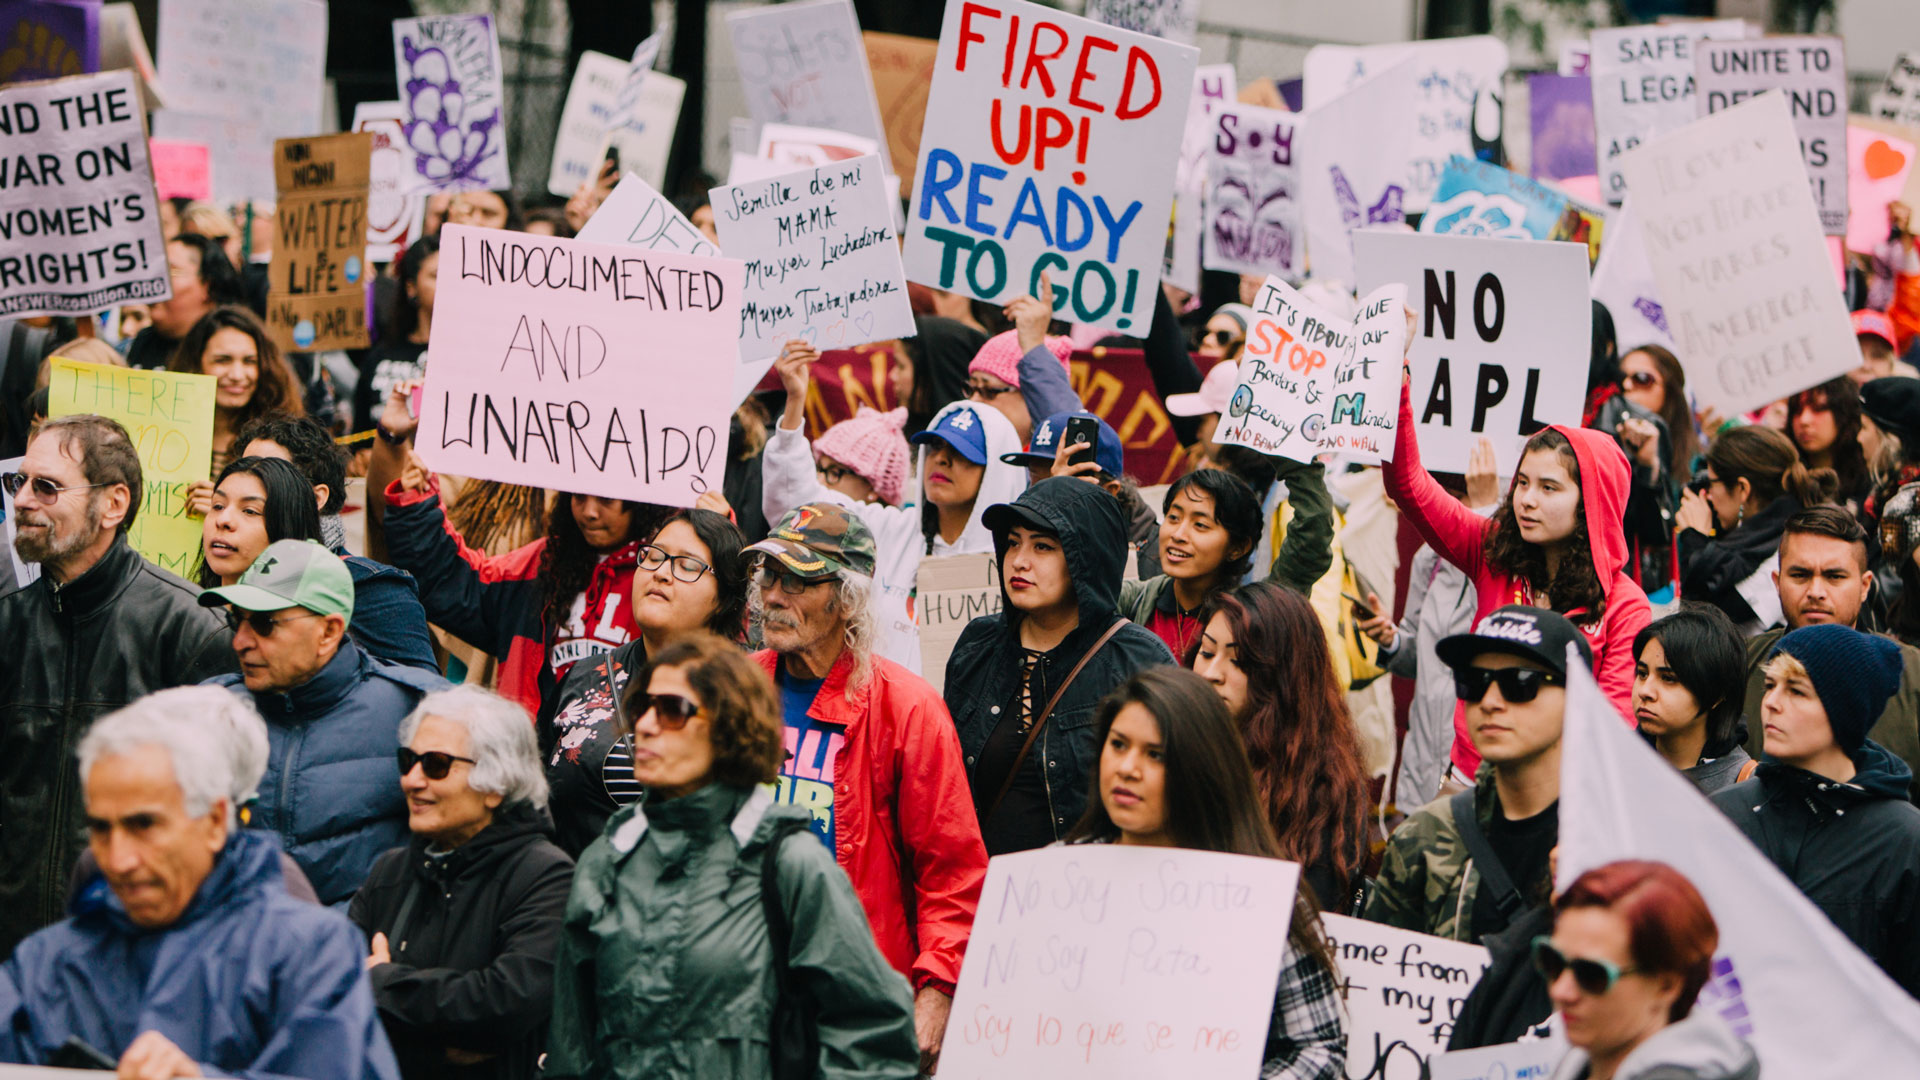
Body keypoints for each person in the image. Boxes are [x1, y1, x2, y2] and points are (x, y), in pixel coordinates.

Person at [545, 634, 919, 1080]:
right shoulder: (607, 861)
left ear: (729, 729)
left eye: (672, 710)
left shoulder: (787, 862)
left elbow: (874, 1036)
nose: (644, 724)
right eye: (642, 707)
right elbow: (570, 1050)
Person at [0, 693, 399, 1080]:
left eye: (144, 825)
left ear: (214, 822)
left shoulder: (310, 953)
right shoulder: (43, 964)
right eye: (101, 829)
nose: (118, 860)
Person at [746, 504, 986, 1068]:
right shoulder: (737, 687)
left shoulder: (908, 708)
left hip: (852, 995)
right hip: (743, 981)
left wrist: (937, 990)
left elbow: (951, 872)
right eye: (770, 577)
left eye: (798, 581)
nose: (774, 596)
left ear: (847, 598)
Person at [0, 415, 236, 952]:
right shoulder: (8, 621)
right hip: (19, 955)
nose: (23, 501)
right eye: (18, 482)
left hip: (138, 950)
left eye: (47, 486)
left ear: (113, 504)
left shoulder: (190, 629)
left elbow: (222, 816)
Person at [1064, 667, 1345, 1078]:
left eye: (1156, 755)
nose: (1127, 768)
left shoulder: (1261, 898)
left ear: (1201, 769)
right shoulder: (1059, 878)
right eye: (1118, 744)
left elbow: (1320, 1048)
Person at [1384, 359, 1650, 784]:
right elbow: (1407, 484)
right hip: (1466, 784)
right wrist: (1397, 380)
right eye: (1522, 482)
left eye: (1548, 487)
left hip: (1556, 800)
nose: (1526, 499)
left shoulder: (1626, 606)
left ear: (1591, 505)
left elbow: (1611, 730)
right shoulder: (1492, 549)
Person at [374, 387, 669, 719]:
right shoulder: (543, 563)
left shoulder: (664, 576)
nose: (589, 512)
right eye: (578, 497)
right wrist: (416, 505)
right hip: (533, 745)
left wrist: (709, 535)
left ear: (641, 501)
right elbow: (452, 582)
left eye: (605, 499)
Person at [202, 539, 449, 906]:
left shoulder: (420, 712)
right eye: (237, 619)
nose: (240, 642)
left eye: (264, 624)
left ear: (329, 631)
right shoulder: (207, 711)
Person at [351, 686, 573, 1080]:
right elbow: (331, 991)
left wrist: (380, 984)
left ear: (496, 785)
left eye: (436, 765)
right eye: (408, 760)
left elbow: (501, 1007)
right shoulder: (390, 872)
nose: (411, 780)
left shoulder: (546, 878)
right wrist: (438, 1048)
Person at [946, 477, 1176, 854]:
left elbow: (1174, 797)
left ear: (1087, 557)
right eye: (1013, 542)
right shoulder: (978, 644)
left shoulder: (1139, 660)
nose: (1019, 560)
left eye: (1043, 546)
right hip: (985, 883)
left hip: (1088, 883)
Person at [765, 343, 1026, 671]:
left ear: (995, 472)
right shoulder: (883, 530)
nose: (941, 459)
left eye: (962, 453)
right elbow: (797, 511)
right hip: (865, 702)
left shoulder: (1013, 565)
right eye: (935, 446)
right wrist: (795, 403)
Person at [1713, 624, 1920, 996]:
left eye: (1796, 691)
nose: (1771, 702)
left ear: (1846, 710)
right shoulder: (1724, 813)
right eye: (1770, 685)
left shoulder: (1904, 839)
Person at [1368, 606, 1589, 943]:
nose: (1489, 701)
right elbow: (1381, 963)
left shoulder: (1612, 846)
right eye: (1473, 681)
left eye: (1520, 682)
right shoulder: (1423, 835)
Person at [544, 508, 750, 855]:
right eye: (654, 557)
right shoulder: (584, 675)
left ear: (724, 598)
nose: (661, 573)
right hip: (573, 882)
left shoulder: (748, 685)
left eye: (687, 565)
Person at [1190, 582, 1371, 912]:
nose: (1212, 673)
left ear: (1282, 679)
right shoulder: (1173, 746)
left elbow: (1310, 916)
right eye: (1206, 652)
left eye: (1239, 661)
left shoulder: (1322, 787)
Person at [234, 412, 439, 670]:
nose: (245, 485)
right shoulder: (228, 568)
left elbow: (418, 686)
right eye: (243, 470)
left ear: (316, 498)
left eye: (266, 474)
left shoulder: (372, 589)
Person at [1360, 437, 1501, 809]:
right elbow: (1417, 658)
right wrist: (1392, 640)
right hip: (1420, 773)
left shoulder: (1504, 565)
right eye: (1442, 498)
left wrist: (1486, 513)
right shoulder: (1428, 559)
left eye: (1457, 499)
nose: (1444, 510)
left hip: (1472, 780)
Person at [1737, 506, 1920, 790]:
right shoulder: (1738, 665)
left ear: (1865, 586)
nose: (1816, 592)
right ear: (1777, 583)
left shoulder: (1913, 676)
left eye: (1834, 576)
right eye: (1800, 575)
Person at [1539, 861, 1758, 1080]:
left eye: (1592, 974)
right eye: (1553, 961)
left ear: (1666, 986)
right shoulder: (1581, 1060)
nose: (1560, 991)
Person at [1677, 425, 1838, 635]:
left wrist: (1694, 540)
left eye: (1712, 483)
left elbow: (1706, 627)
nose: (1708, 494)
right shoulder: (1763, 533)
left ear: (1743, 489)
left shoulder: (1788, 548)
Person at [168, 306, 307, 512]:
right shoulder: (166, 431)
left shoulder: (283, 441)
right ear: (195, 364)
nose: (237, 375)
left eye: (249, 361)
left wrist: (224, 506)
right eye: (222, 360)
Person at [1004, 408, 1163, 578]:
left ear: (1109, 491)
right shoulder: (1020, 543)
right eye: (1036, 480)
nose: (1043, 497)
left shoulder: (1158, 562)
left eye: (1061, 486)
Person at [1631, 607, 1753, 794]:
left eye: (1668, 678)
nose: (1645, 691)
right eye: (1642, 674)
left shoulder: (1743, 785)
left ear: (1717, 694)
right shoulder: (1611, 761)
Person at [124, 233, 245, 370]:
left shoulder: (235, 346)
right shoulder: (143, 342)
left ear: (207, 286)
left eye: (169, 272)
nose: (154, 283)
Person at [355, 235, 438, 433]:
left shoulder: (466, 359)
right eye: (436, 276)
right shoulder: (381, 354)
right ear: (411, 288)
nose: (448, 284)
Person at [198, 456, 323, 587]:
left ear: (288, 527)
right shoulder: (188, 598)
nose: (223, 520)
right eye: (218, 506)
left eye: (250, 511)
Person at [1616, 345, 1698, 484]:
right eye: (1620, 377)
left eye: (1641, 378)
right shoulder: (1606, 434)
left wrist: (1649, 466)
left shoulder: (1694, 461)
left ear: (1669, 391)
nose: (1627, 385)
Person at [1786, 375, 1871, 510]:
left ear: (1843, 413)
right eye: (1797, 410)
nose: (1804, 420)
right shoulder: (1784, 481)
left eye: (1818, 409)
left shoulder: (1869, 478)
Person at [891, 315, 985, 435]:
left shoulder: (963, 442)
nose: (892, 375)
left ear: (933, 372)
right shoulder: (894, 433)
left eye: (901, 366)